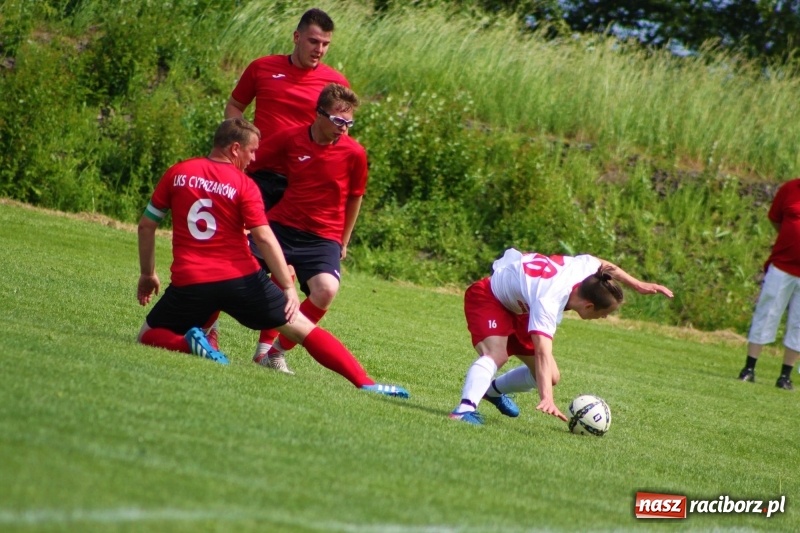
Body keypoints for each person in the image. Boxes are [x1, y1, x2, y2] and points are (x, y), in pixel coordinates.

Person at [135, 117, 408, 399]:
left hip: (191, 282)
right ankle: (365, 383)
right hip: (241, 280)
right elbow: (264, 238)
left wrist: (148, 274)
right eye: (251, 151)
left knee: (147, 334)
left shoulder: (178, 172)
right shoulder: (244, 185)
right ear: (235, 149)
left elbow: (146, 225)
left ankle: (186, 344)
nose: (253, 159)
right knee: (303, 328)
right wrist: (288, 288)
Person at [449, 248, 673, 425]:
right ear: (588, 305)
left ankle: (491, 391)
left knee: (551, 376)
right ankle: (464, 410)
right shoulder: (550, 301)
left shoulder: (586, 273)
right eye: (604, 314)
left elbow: (603, 265)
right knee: (496, 354)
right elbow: (542, 352)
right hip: (490, 297)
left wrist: (638, 284)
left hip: (522, 308)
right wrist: (546, 398)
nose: (604, 318)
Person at [248, 83, 366, 375]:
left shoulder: (355, 153)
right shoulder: (290, 139)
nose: (343, 128)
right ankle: (205, 328)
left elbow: (355, 197)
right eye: (338, 121)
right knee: (232, 268)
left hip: (323, 237)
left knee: (326, 289)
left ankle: (275, 353)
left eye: (349, 122)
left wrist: (343, 240)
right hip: (280, 227)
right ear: (319, 114)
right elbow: (250, 165)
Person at [224, 7, 349, 210]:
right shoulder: (262, 68)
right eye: (314, 41)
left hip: (303, 179)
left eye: (326, 44)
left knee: (289, 242)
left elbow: (341, 133)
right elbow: (234, 106)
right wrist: (241, 143)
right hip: (258, 172)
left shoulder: (335, 83)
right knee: (244, 238)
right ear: (297, 37)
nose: (320, 50)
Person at [737, 178, 800, 391]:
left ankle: (785, 376)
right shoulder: (790, 188)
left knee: (799, 323)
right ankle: (749, 369)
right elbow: (776, 219)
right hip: (781, 266)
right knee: (766, 313)